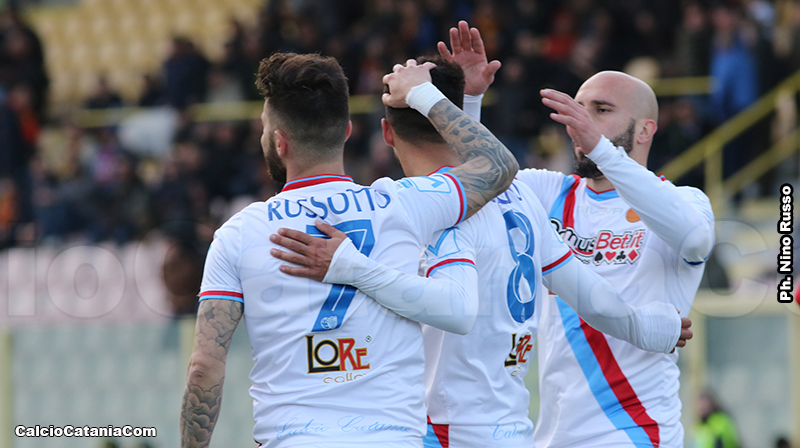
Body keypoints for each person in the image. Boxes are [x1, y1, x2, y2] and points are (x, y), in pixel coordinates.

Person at [269, 27, 692, 448]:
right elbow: (595, 301)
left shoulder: (418, 206)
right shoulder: (523, 200)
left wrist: (349, 266)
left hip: (443, 432)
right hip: (511, 429)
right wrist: (646, 328)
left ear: (387, 132)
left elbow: (456, 308)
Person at [179, 52, 521, 448]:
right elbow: (499, 166)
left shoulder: (239, 233)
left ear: (279, 142)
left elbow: (204, 368)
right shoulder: (403, 203)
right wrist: (424, 94)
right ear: (346, 131)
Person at [438, 21, 714, 448]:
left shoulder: (683, 201)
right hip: (553, 436)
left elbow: (694, 238)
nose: (580, 122)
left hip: (635, 434)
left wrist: (601, 148)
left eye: (600, 110)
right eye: (578, 108)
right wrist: (468, 100)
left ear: (645, 130)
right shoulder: (546, 192)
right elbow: (473, 184)